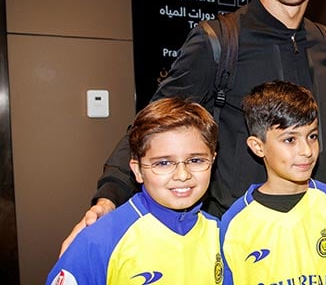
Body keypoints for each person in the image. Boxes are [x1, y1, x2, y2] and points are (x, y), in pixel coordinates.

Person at [62, 0, 326, 252]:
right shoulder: (218, 41)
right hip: (241, 244)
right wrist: (109, 197)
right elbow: (151, 126)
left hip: (318, 234)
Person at [219, 81, 326, 285]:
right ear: (257, 146)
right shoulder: (234, 223)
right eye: (290, 139)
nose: (307, 151)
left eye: (312, 136)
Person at [47, 98, 222, 284]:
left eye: (196, 160)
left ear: (212, 160)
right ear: (137, 170)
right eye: (163, 163)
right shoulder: (100, 240)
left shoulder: (220, 233)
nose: (182, 175)